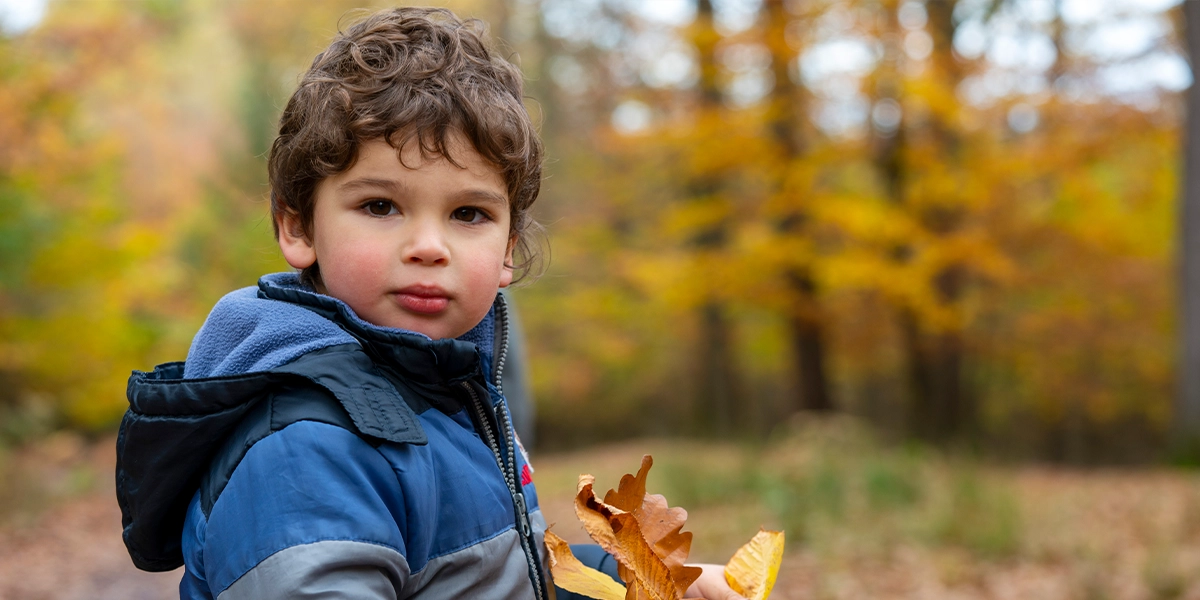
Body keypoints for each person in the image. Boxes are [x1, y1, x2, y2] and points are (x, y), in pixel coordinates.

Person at [115, 7, 743, 600]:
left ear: (507, 250)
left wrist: (649, 580)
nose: (428, 246)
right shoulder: (306, 445)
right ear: (298, 227)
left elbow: (488, 574)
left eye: (468, 213)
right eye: (380, 206)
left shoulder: (444, 398)